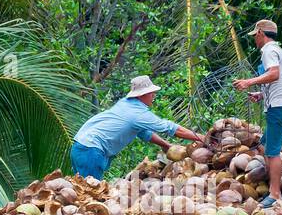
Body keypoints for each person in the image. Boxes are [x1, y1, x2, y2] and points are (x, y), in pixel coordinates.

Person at [70, 75, 201, 179]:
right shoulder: (138, 113)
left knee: (82, 190)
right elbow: (173, 129)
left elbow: (144, 133)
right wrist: (202, 138)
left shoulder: (126, 104)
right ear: (141, 95)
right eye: (151, 93)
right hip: (91, 150)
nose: (153, 96)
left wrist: (166, 145)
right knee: (89, 193)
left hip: (82, 146)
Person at [233, 18, 282, 207]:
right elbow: (280, 81)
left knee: (273, 151)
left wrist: (248, 82)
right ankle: (274, 183)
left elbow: (274, 74)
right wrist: (261, 94)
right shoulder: (279, 51)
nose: (254, 40)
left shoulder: (268, 50)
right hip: (281, 106)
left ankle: (275, 195)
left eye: (255, 36)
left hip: (278, 108)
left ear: (260, 33)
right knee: (264, 144)